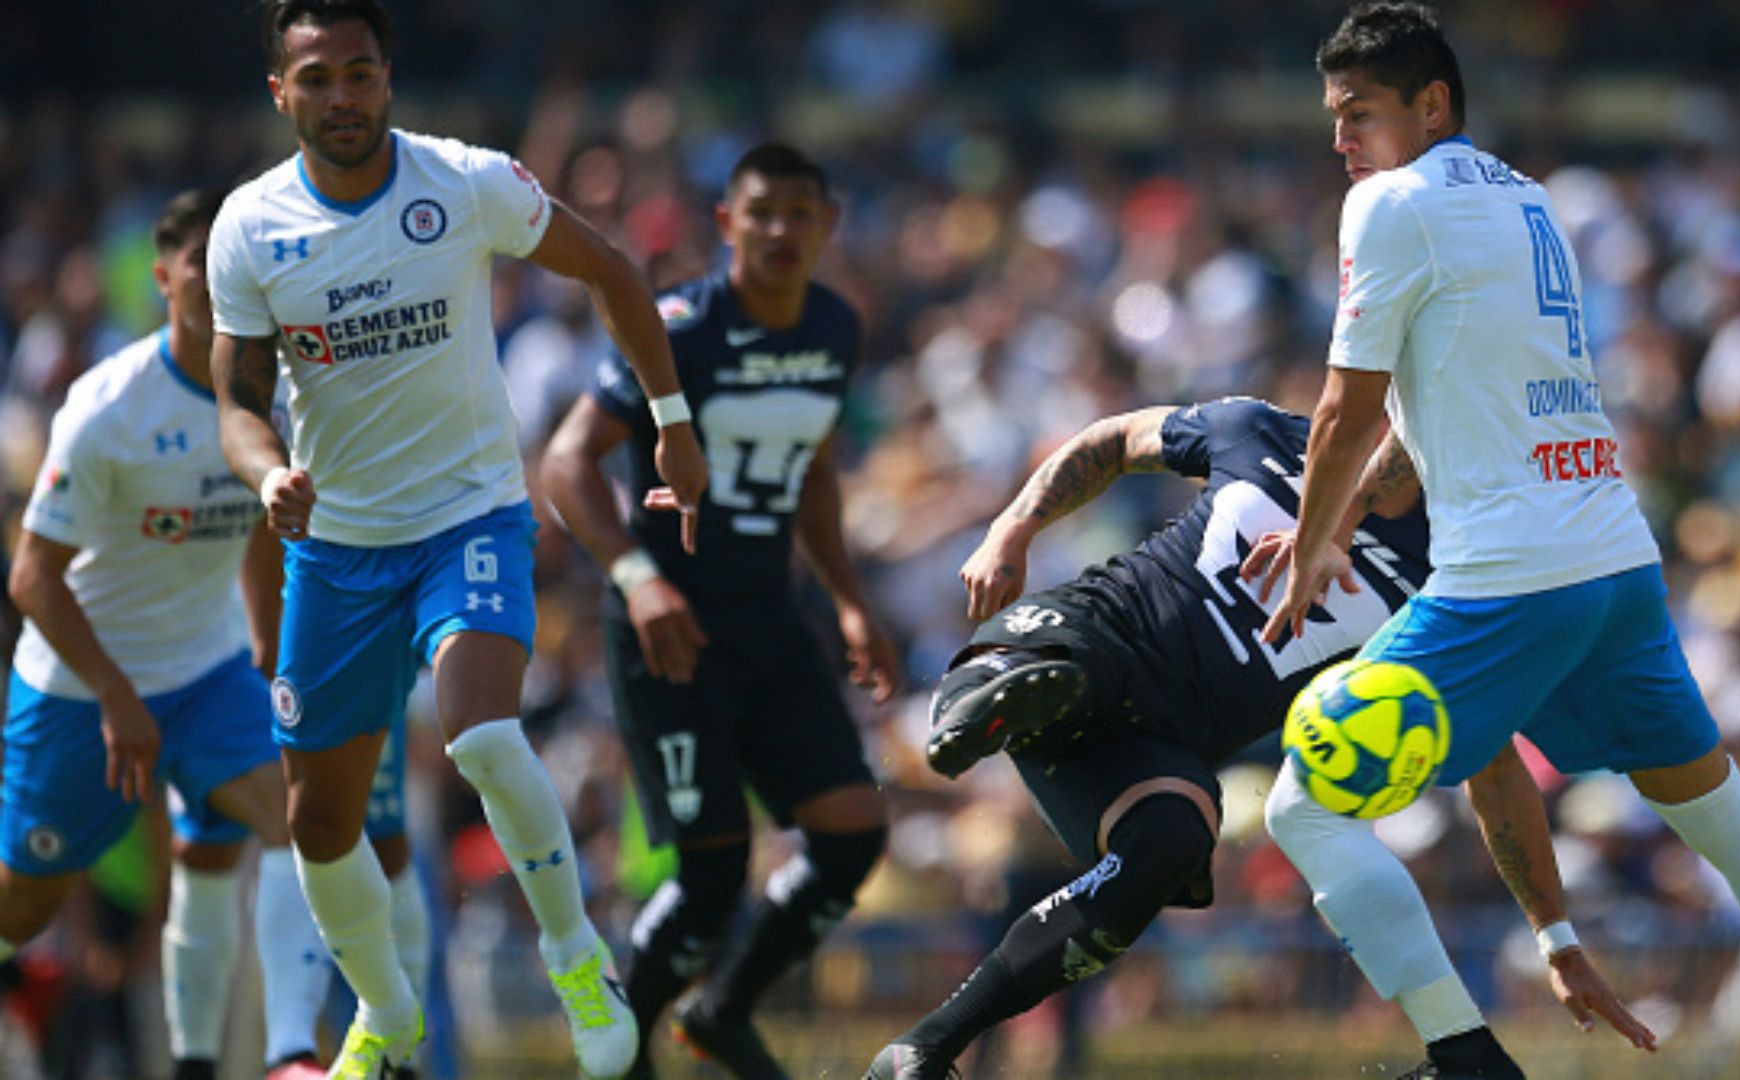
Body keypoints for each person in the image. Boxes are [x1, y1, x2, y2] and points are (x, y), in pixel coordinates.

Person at [1253, 5, 1740, 1079]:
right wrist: (1360, 510)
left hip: (1509, 580)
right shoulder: (1529, 200)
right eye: (1335, 119)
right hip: (1614, 565)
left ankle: (1464, 1059)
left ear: (1433, 105)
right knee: (1724, 815)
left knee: (1303, 803)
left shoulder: (1389, 206)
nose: (1341, 142)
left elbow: (1344, 409)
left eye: (1359, 114)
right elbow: (1441, 416)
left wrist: (1314, 531)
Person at [206, 2, 709, 1077]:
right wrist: (267, 475)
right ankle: (387, 1013)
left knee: (482, 735)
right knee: (320, 824)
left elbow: (615, 269)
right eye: (318, 78)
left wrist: (672, 426)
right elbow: (239, 405)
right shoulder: (249, 227)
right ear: (280, 93)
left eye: (359, 72)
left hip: (467, 518)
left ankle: (579, 959)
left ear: (388, 77)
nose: (342, 96)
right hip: (336, 549)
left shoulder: (465, 182)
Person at [864, 397, 1654, 1079]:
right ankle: (975, 694)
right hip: (1086, 639)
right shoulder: (1261, 432)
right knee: (1059, 676)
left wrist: (1556, 937)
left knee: (1173, 844)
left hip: (1157, 747)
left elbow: (1494, 768)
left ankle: (923, 1050)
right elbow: (1114, 439)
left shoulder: (1451, 578)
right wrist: (1012, 528)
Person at [541, 141, 898, 1080]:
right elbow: (568, 462)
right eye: (762, 211)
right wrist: (635, 578)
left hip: (772, 621)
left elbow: (815, 469)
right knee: (710, 878)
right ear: (727, 224)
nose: (781, 229)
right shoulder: (681, 327)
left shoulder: (833, 327)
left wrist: (851, 603)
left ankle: (721, 1011)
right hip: (673, 632)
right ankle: (619, 1061)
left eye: (800, 212)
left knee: (854, 832)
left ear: (827, 224)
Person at [0, 189, 335, 1080]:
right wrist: (116, 696)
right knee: (20, 915)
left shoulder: (272, 399)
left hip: (206, 671)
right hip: (80, 690)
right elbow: (31, 577)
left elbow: (264, 526)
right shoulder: (110, 408)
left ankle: (289, 1054)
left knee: (300, 824)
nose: (218, 281)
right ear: (162, 279)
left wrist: (267, 652)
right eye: (200, 266)